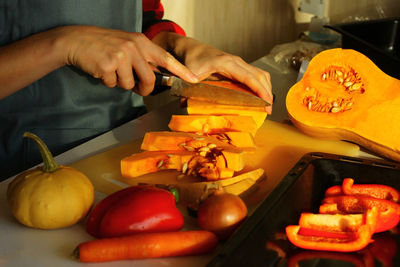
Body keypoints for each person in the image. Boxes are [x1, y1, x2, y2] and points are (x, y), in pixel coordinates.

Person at [0, 0, 273, 180]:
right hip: (23, 170)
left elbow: (139, 17)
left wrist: (175, 44)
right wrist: (63, 45)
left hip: (127, 142)